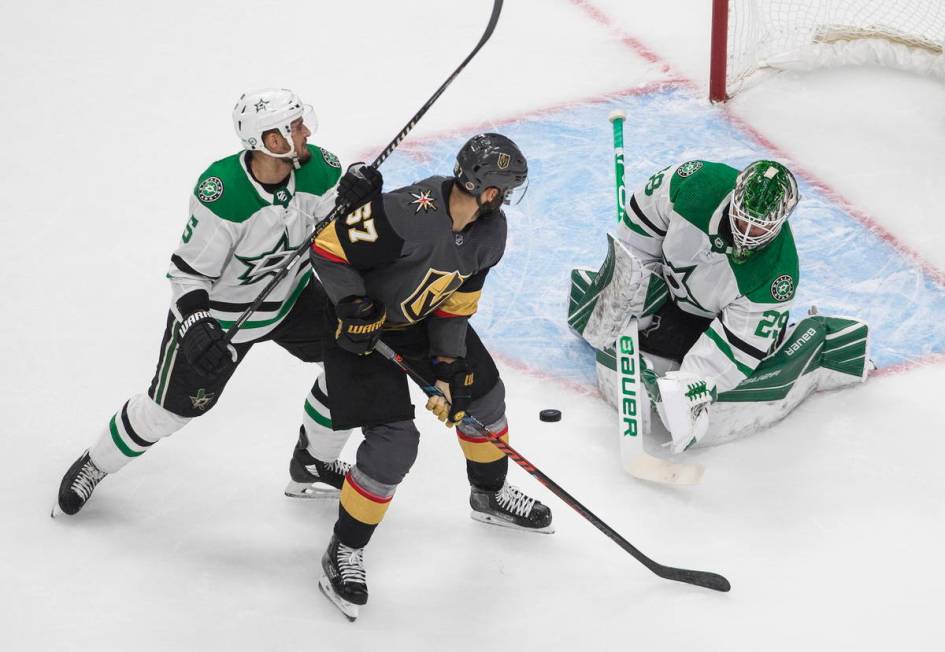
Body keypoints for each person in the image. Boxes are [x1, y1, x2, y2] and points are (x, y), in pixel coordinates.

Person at [54, 88, 352, 516]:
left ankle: (312, 462)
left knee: (353, 362)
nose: (306, 131)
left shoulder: (321, 168)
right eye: (295, 125)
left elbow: (337, 233)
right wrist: (196, 325)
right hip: (223, 319)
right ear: (271, 140)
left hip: (293, 299)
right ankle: (96, 463)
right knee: (166, 413)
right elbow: (188, 273)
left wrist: (356, 199)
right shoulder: (224, 193)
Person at [306, 132, 552, 619]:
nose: (504, 200)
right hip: (362, 333)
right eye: (503, 190)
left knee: (482, 397)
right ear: (485, 188)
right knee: (395, 443)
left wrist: (447, 367)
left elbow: (457, 303)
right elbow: (328, 248)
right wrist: (353, 304)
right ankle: (344, 548)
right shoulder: (408, 211)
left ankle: (489, 492)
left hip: (421, 324)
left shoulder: (490, 233)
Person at [568, 159, 870, 452]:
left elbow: (737, 346)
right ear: (734, 198)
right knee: (613, 310)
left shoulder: (778, 273)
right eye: (743, 219)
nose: (747, 234)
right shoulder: (692, 184)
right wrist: (633, 278)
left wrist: (690, 384)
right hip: (673, 294)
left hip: (715, 323)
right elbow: (638, 229)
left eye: (760, 228)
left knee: (687, 393)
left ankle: (812, 338)